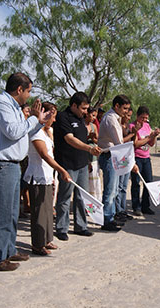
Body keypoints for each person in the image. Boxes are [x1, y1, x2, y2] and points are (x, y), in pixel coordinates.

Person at [0, 72, 53, 272]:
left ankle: (8, 250)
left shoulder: (13, 107)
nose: (29, 95)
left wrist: (39, 121)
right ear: (19, 89)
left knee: (11, 212)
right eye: (28, 91)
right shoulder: (1, 105)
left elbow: (22, 132)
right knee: (2, 213)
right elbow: (12, 131)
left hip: (10, 165)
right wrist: (33, 119)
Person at [54, 92, 101, 241]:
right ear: (74, 105)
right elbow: (69, 139)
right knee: (65, 196)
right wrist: (88, 148)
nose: (86, 112)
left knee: (82, 197)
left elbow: (81, 139)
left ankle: (81, 226)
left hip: (82, 163)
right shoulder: (63, 117)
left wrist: (89, 147)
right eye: (83, 108)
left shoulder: (81, 119)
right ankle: (61, 227)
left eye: (87, 108)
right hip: (67, 164)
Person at [25, 102, 71, 255]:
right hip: (37, 175)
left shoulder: (46, 131)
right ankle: (38, 244)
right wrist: (61, 170)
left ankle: (47, 239)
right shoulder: (35, 132)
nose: (54, 120)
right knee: (39, 211)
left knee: (47, 209)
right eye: (52, 116)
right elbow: (44, 155)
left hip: (47, 175)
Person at [97, 94, 132, 231]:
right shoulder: (110, 119)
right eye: (124, 108)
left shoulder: (116, 119)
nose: (126, 111)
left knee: (115, 189)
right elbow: (119, 142)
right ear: (116, 106)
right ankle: (107, 220)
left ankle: (111, 216)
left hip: (115, 156)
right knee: (110, 190)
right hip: (109, 155)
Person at [130, 106, 160, 216]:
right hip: (136, 157)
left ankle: (145, 205)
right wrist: (148, 138)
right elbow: (135, 144)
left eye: (146, 118)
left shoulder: (147, 126)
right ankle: (136, 206)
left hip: (146, 157)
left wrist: (154, 136)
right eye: (142, 118)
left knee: (149, 181)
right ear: (137, 116)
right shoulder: (133, 126)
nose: (144, 120)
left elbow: (151, 144)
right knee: (136, 183)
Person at [115, 107, 137, 221]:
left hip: (127, 157)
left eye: (129, 116)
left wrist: (135, 132)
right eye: (127, 115)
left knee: (123, 186)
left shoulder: (128, 127)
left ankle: (122, 210)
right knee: (118, 186)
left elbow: (133, 143)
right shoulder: (117, 126)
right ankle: (117, 210)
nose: (128, 118)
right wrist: (132, 135)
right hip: (119, 158)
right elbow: (121, 141)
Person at [85, 107, 102, 200]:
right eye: (93, 115)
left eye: (95, 116)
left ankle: (96, 201)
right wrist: (87, 137)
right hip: (84, 155)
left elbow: (97, 140)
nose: (94, 118)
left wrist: (94, 137)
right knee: (86, 181)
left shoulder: (93, 126)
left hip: (94, 157)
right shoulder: (81, 125)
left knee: (95, 181)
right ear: (87, 114)